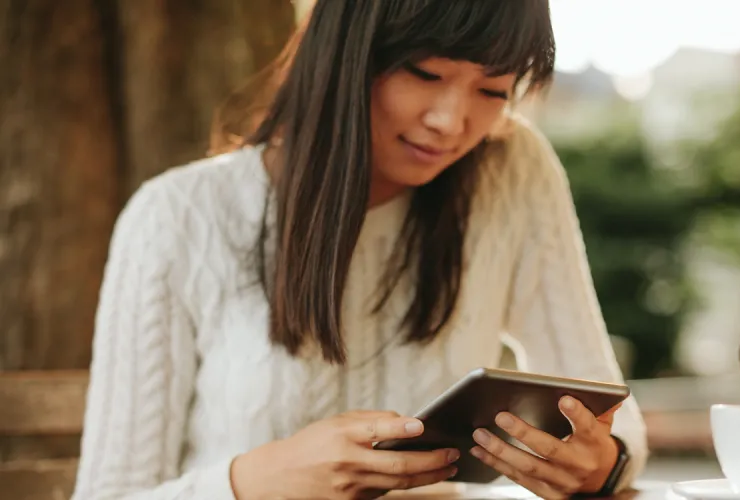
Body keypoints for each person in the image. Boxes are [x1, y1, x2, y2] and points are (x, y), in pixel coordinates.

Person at [72, 1, 648, 499]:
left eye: (493, 90)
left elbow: (614, 422)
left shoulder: (510, 170)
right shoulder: (177, 216)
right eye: (425, 73)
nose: (451, 121)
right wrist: (252, 482)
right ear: (345, 54)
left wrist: (603, 465)